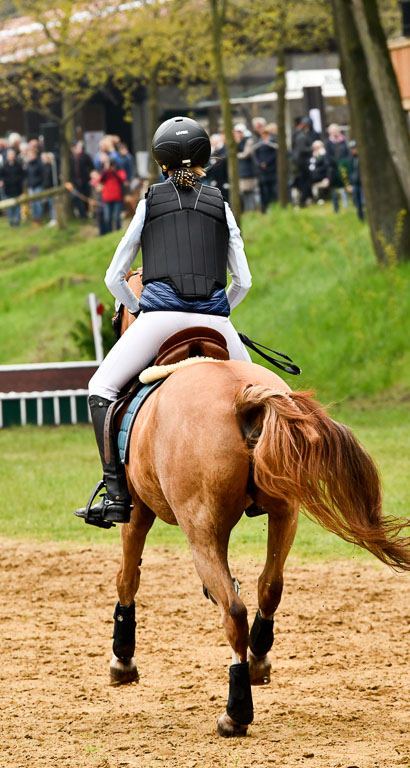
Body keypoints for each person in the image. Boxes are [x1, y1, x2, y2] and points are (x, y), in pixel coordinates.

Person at [75, 117, 252, 528]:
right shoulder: (220, 205)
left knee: (99, 387)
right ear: (206, 157)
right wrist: (217, 310)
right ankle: (264, 482)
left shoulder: (150, 202)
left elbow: (113, 276)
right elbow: (242, 280)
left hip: (158, 319)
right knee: (271, 397)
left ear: (160, 162)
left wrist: (137, 309)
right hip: (217, 325)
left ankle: (116, 494)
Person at [233, 123, 258, 211]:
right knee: (244, 193)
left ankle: (251, 210)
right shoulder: (236, 142)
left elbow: (245, 154)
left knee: (250, 193)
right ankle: (247, 210)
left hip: (248, 171)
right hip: (241, 171)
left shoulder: (248, 140)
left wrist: (235, 155)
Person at [253, 127, 278, 213]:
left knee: (272, 189)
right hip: (262, 172)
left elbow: (275, 155)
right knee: (264, 191)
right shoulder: (259, 144)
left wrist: (266, 163)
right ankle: (264, 208)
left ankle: (273, 206)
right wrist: (260, 164)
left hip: (271, 170)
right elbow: (255, 156)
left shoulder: (273, 143)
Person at [99, 158, 126, 232]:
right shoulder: (105, 173)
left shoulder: (119, 171)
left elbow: (122, 179)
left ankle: (118, 231)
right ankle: (109, 232)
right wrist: (106, 170)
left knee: (116, 217)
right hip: (107, 198)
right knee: (107, 218)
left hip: (117, 197)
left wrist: (113, 171)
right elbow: (100, 179)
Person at [0, 148, 24, 226]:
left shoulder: (18, 165)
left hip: (17, 189)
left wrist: (18, 180)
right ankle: (11, 222)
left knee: (17, 206)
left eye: (12, 154)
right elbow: (1, 176)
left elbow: (22, 175)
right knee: (10, 207)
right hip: (8, 189)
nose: (11, 156)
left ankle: (17, 222)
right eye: (10, 155)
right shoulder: (4, 166)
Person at [26, 146, 44, 224]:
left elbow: (42, 175)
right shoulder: (28, 164)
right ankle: (35, 218)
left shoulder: (39, 163)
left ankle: (38, 218)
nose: (30, 156)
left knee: (38, 203)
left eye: (31, 154)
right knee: (32, 204)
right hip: (31, 186)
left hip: (38, 186)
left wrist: (39, 182)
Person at [348, 140, 365, 221]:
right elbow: (350, 172)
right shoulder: (351, 159)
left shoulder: (362, 158)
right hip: (355, 183)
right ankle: (360, 218)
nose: (354, 150)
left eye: (355, 148)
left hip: (362, 183)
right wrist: (350, 184)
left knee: (363, 201)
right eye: (352, 149)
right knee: (357, 202)